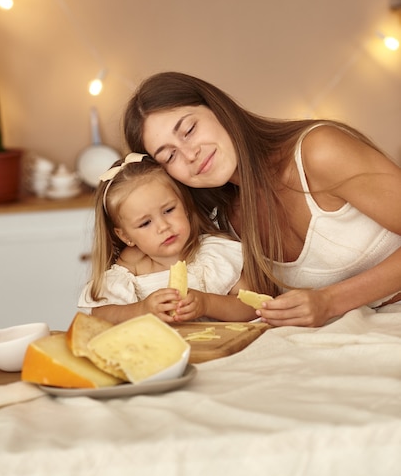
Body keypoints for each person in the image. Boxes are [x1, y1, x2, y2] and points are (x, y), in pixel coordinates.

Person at [122, 71, 401, 328]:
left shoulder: (318, 152)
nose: (189, 153)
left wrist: (330, 301)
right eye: (169, 156)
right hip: (355, 336)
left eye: (189, 130)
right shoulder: (223, 221)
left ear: (217, 109)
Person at [78, 152, 255, 324]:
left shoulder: (213, 255)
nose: (163, 227)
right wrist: (141, 310)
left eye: (169, 210)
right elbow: (97, 316)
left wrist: (207, 304)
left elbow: (252, 306)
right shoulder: (129, 274)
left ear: (184, 205)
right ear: (126, 236)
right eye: (145, 223)